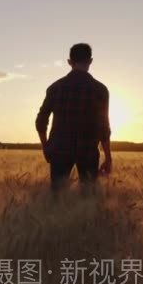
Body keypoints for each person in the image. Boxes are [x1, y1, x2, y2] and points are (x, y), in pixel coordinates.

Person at [35, 43, 112, 194]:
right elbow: (104, 128)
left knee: (57, 198)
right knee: (88, 197)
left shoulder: (55, 88)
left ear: (69, 61)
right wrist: (108, 157)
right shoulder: (100, 89)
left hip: (59, 148)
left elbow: (40, 121)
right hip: (88, 149)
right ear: (90, 61)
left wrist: (46, 146)